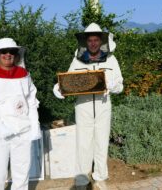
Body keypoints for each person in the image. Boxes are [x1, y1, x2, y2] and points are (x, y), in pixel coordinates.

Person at [53, 23, 123, 188]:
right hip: (83, 106)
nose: (93, 43)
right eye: (90, 40)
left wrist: (112, 84)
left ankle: (100, 178)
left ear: (101, 41)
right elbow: (68, 81)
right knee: (83, 143)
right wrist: (59, 89)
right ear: (85, 42)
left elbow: (120, 85)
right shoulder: (77, 60)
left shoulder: (111, 60)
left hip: (103, 105)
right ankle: (82, 180)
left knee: (101, 142)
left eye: (95, 40)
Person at [0, 37, 41, 190]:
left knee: (22, 175)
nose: (8, 55)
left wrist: (34, 124)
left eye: (11, 52)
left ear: (16, 54)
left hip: (22, 132)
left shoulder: (24, 74)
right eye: (3, 52)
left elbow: (31, 101)